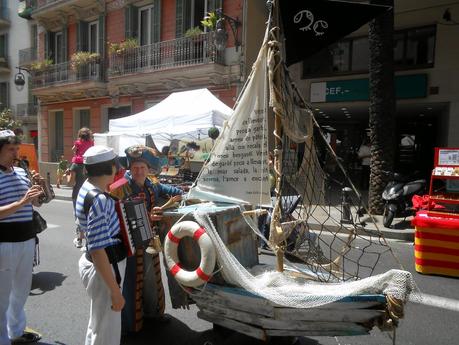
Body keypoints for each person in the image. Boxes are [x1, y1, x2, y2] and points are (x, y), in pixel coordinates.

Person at [110, 145, 183, 333]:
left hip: (150, 241)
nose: (139, 171)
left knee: (151, 279)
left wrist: (163, 206)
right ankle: (130, 323)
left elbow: (176, 192)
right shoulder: (117, 189)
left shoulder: (153, 183)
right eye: (135, 167)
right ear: (129, 168)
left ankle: (153, 315)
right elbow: (112, 216)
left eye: (142, 167)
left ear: (148, 168)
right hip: (129, 244)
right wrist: (144, 217)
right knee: (131, 282)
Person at [75, 145, 126, 345]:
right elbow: (97, 250)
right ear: (110, 167)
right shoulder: (100, 200)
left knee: (98, 326)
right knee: (107, 334)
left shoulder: (87, 188)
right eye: (115, 165)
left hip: (101, 267)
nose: (117, 169)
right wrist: (115, 291)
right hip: (106, 269)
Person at [0, 129, 43, 345]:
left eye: (17, 149)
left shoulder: (21, 172)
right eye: (11, 149)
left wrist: (41, 187)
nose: (16, 153)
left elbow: (38, 203)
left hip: (26, 239)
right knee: (2, 294)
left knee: (21, 289)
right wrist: (21, 202)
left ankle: (15, 331)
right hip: (4, 243)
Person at [69, 128, 94, 248]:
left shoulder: (75, 163)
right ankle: (89, 241)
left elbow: (70, 183)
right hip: (90, 193)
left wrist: (68, 176)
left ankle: (79, 239)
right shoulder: (91, 144)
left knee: (79, 216)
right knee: (89, 215)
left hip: (78, 193)